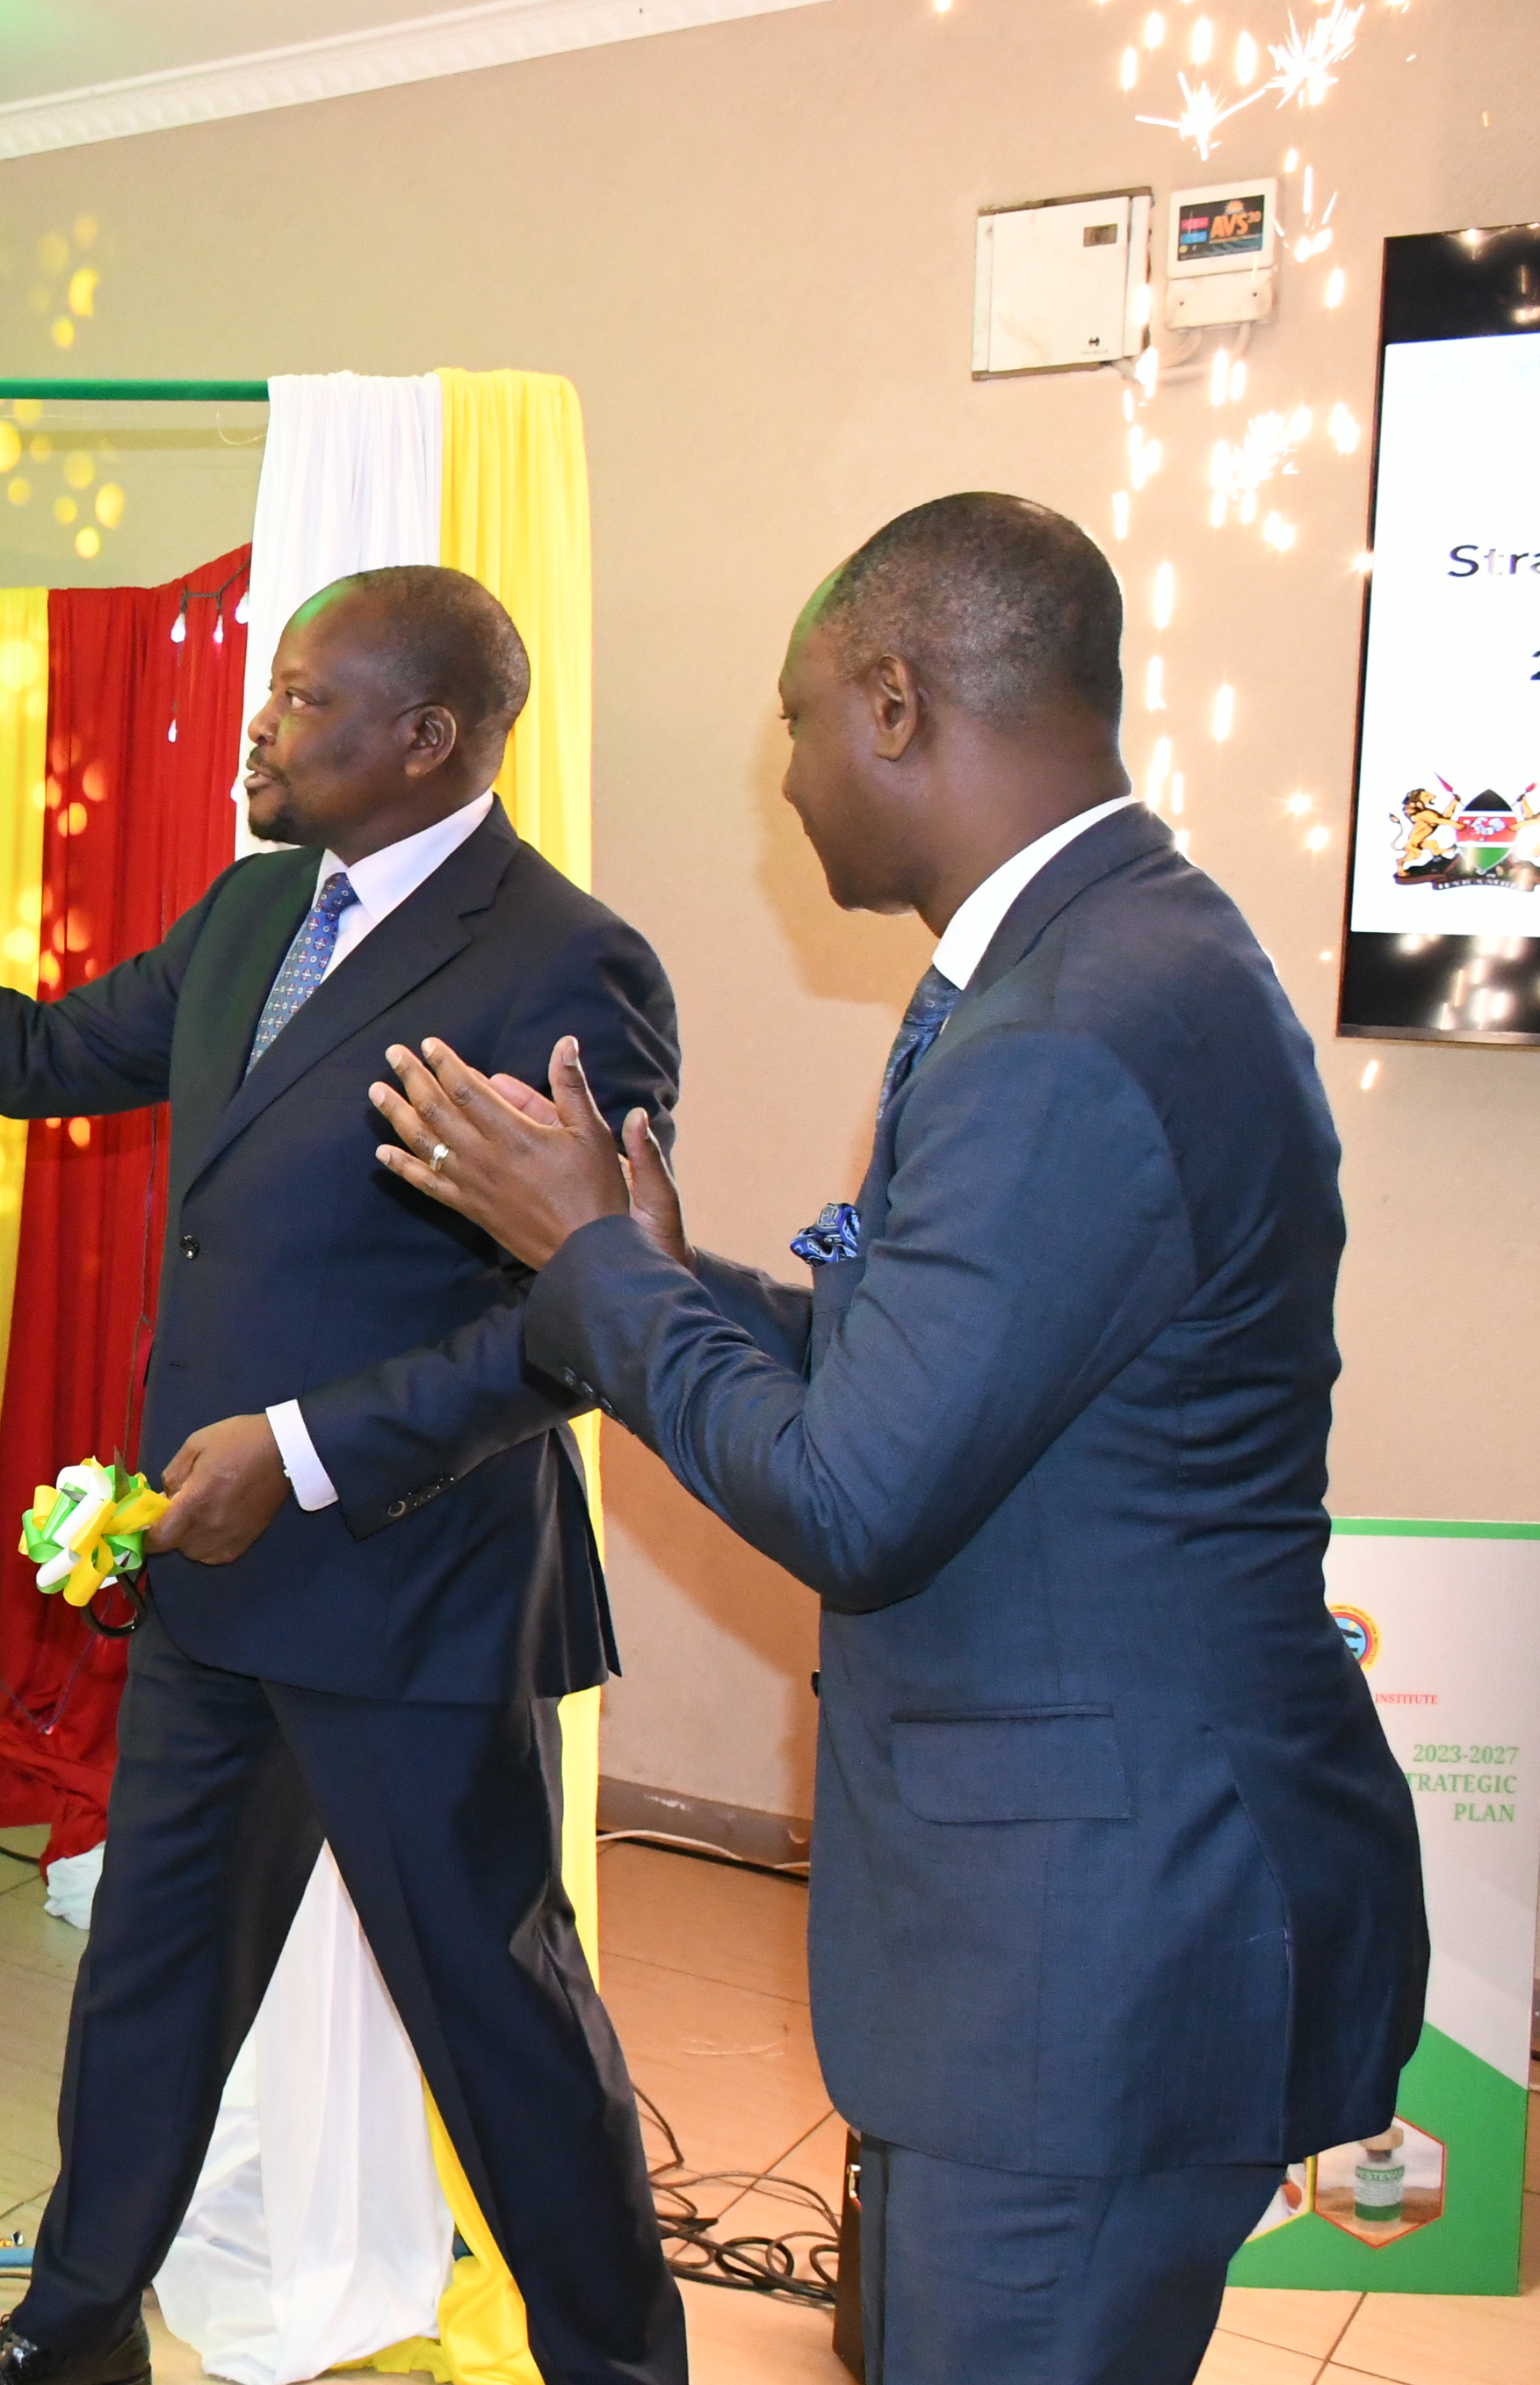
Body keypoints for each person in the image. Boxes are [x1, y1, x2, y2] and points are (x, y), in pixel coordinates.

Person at [369, 494, 1425, 2384]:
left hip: (1086, 1955)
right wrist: (666, 1283)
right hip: (1097, 1909)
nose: (781, 779)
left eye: (791, 722)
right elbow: (943, 1368)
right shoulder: (1115, 952)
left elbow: (855, 1493)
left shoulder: (1072, 1030)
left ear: (893, 700)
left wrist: (597, 1268)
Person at [0, 567, 687, 2385]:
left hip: (410, 1590)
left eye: (306, 699)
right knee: (152, 1977)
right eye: (271, 692)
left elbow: (581, 1316)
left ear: (425, 737)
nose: (261, 724)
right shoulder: (261, 911)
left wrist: (310, 1451)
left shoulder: (566, 959)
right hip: (216, 1575)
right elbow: (37, 1058)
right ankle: (74, 2337)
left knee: (498, 2020)